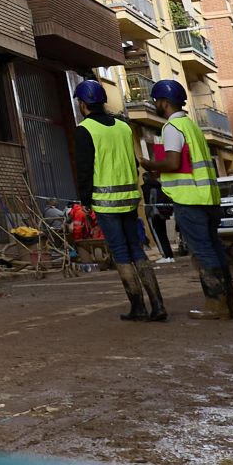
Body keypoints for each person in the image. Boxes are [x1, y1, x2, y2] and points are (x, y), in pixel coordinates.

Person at [72, 79, 166, 322]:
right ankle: (157, 305)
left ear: (83, 104)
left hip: (105, 201)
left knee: (121, 253)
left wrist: (85, 199)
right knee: (137, 250)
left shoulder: (85, 130)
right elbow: (133, 162)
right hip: (130, 198)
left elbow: (84, 169)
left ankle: (138, 307)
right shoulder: (124, 126)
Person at [147, 79, 233, 319]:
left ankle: (216, 305)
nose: (155, 104)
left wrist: (150, 163)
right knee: (214, 248)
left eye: (156, 101)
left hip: (190, 200)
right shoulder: (192, 126)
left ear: (164, 103)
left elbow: (173, 162)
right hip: (208, 198)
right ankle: (228, 304)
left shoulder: (172, 128)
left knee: (204, 251)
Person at [142, 173, 175, 263]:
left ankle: (166, 255)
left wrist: (149, 213)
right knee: (163, 234)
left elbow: (150, 201)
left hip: (153, 213)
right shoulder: (159, 186)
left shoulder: (147, 187)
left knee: (158, 235)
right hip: (162, 212)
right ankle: (169, 255)